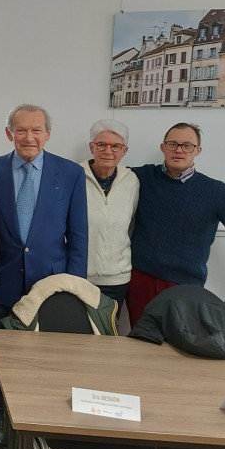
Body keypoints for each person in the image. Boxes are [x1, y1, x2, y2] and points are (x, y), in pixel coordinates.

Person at [0, 103, 87, 449]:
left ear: (48, 134)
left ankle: (46, 420)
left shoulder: (70, 173)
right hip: (3, 283)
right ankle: (2, 417)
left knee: (51, 358)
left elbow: (78, 235)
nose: (29, 137)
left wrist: (75, 288)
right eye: (21, 130)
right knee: (3, 358)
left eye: (36, 130)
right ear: (9, 133)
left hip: (51, 287)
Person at [127, 122, 225, 326]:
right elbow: (106, 176)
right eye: (173, 144)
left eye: (187, 145)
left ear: (198, 150)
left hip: (185, 286)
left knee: (180, 343)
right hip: (140, 280)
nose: (179, 150)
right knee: (141, 340)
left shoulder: (215, 191)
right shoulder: (140, 177)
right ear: (163, 147)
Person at [80, 120, 139, 308]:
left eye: (115, 146)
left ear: (124, 151)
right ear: (91, 147)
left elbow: (131, 224)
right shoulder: (74, 176)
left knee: (110, 325)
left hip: (117, 278)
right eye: (101, 145)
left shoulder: (132, 180)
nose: (108, 150)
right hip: (80, 275)